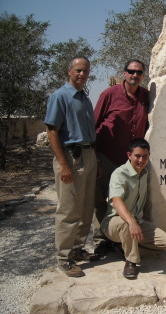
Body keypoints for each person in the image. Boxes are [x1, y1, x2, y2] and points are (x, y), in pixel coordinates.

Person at [44, 56, 99, 277]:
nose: (81, 74)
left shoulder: (84, 98)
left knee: (86, 208)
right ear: (69, 71)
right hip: (71, 158)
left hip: (89, 154)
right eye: (78, 70)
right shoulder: (60, 96)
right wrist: (64, 164)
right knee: (68, 210)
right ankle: (64, 258)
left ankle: (77, 249)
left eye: (85, 71)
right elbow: (52, 132)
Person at [93, 59, 150, 257]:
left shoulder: (145, 96)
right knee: (102, 199)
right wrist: (96, 159)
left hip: (131, 161)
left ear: (143, 75)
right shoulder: (109, 95)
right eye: (131, 71)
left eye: (139, 72)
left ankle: (121, 237)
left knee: (127, 198)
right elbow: (94, 124)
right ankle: (102, 240)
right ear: (124, 73)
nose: (135, 75)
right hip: (107, 155)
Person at [101, 138, 166, 279]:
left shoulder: (144, 173)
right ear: (129, 155)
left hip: (137, 222)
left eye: (145, 156)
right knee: (126, 224)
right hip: (114, 223)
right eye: (137, 156)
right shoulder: (120, 174)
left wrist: (136, 223)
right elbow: (116, 201)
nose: (141, 160)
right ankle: (131, 262)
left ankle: (122, 247)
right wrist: (132, 222)